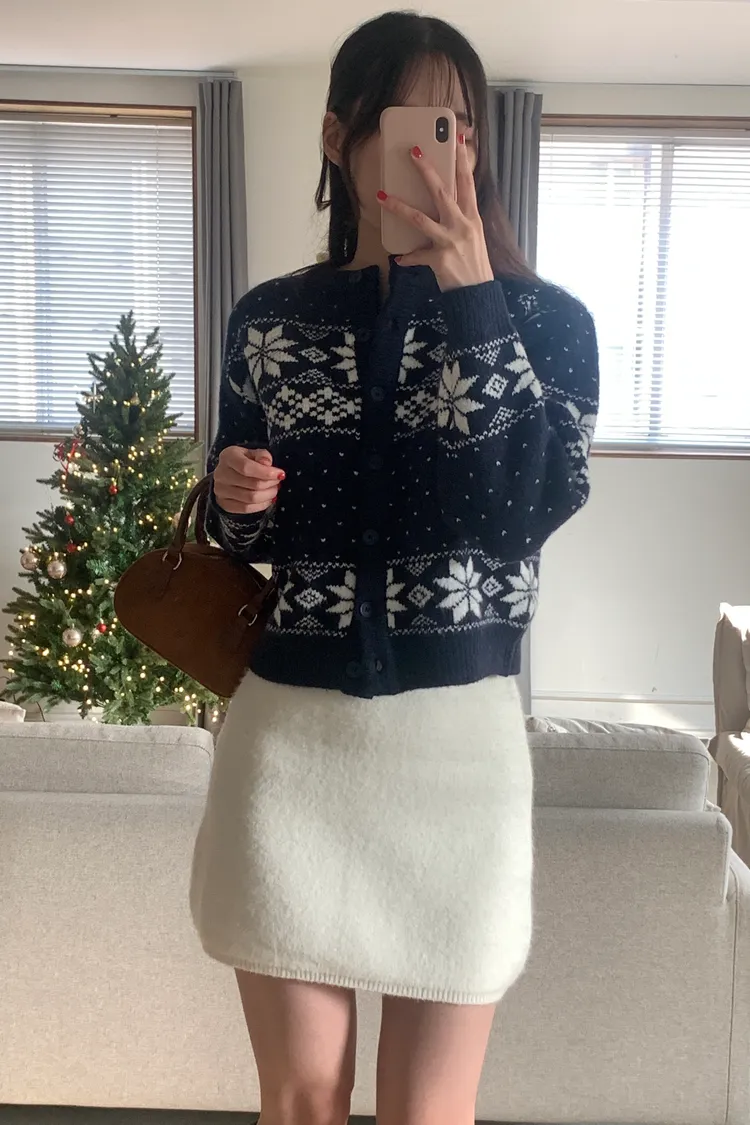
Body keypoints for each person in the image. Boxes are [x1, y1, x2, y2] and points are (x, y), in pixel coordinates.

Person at [189, 11, 599, 1125]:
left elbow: (527, 509)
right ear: (340, 138)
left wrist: (470, 292)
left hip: (456, 758)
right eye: (416, 121)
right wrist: (233, 497)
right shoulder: (270, 319)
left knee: (428, 1113)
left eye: (460, 124)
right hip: (290, 748)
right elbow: (246, 540)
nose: (444, 148)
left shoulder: (547, 324)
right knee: (301, 1100)